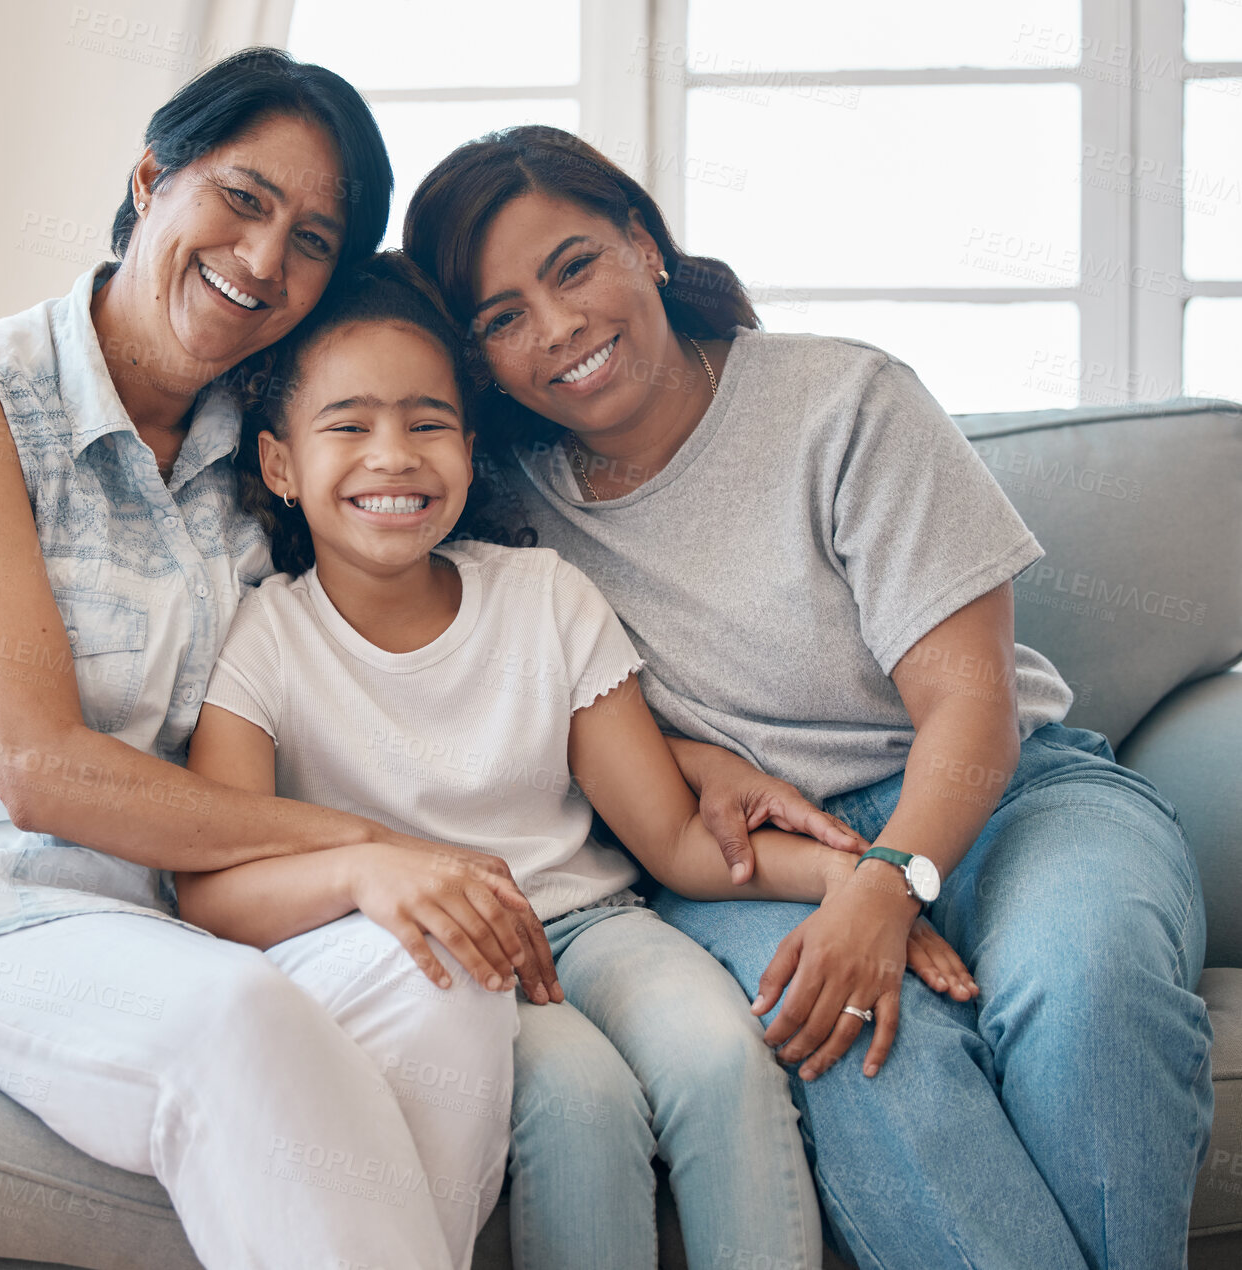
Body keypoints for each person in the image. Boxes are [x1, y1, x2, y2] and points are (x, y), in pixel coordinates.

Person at [0, 50, 537, 1270]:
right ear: (151, 179)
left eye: (314, 239)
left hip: (148, 927)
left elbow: (454, 578)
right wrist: (368, 852)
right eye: (241, 197)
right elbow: (37, 768)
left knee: (443, 973)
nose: (264, 259)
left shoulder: (256, 458)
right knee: (235, 1021)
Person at [403, 125, 1214, 1270]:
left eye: (573, 265)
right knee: (860, 1045)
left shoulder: (843, 400)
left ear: (642, 243)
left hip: (1011, 795)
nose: (557, 329)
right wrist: (691, 761)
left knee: (1084, 988)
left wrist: (888, 885)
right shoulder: (489, 498)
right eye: (499, 316)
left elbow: (968, 712)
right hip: (747, 864)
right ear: (476, 357)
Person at [172, 250, 978, 1270]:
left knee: (725, 1056)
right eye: (348, 426)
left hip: (595, 923)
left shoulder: (543, 596)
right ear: (279, 466)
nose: (393, 457)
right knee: (581, 1104)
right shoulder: (264, 641)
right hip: (437, 969)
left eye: (426, 423)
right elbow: (213, 887)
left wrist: (863, 883)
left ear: (468, 448)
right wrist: (365, 881)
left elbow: (677, 840)